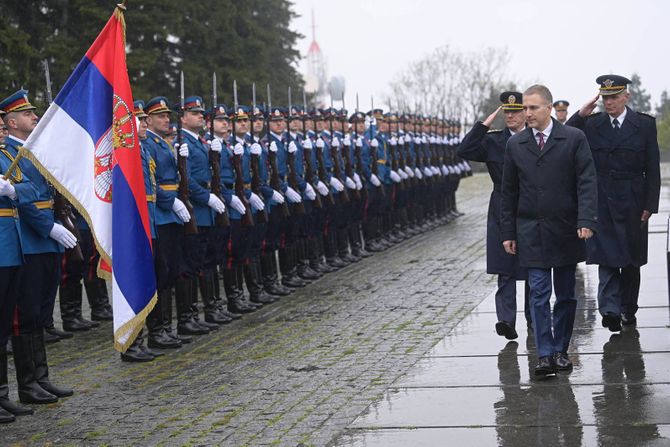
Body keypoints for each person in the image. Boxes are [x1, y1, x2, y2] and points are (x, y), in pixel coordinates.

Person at [501, 84, 597, 378]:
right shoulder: (515, 145)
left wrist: (587, 220)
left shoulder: (573, 138)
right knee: (539, 294)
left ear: (548, 108)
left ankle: (560, 350)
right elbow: (509, 192)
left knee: (566, 295)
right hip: (531, 230)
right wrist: (508, 232)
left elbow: (586, 181)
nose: (526, 113)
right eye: (524, 109)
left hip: (566, 229)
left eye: (532, 108)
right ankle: (544, 355)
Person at [567, 75, 660, 331]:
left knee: (631, 260)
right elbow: (566, 135)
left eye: (614, 97)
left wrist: (650, 204)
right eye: (605, 98)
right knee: (606, 256)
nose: (609, 103)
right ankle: (609, 310)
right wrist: (580, 114)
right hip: (602, 199)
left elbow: (652, 168)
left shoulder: (643, 124)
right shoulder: (593, 124)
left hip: (633, 199)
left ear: (626, 97)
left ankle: (628, 308)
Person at [1, 90, 75, 402]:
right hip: (29, 239)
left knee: (40, 313)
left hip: (44, 238)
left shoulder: (33, 151)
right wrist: (49, 228)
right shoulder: (10, 154)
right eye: (28, 114)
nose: (35, 117)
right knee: (25, 315)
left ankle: (40, 377)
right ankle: (28, 383)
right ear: (12, 121)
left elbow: (34, 190)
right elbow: (25, 198)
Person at [458, 91, 531, 340]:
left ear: (525, 113)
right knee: (505, 266)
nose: (510, 116)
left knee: (534, 267)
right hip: (501, 206)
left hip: (530, 206)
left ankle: (534, 318)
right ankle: (506, 320)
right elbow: (465, 149)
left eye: (515, 112)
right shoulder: (493, 141)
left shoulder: (535, 138)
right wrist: (483, 125)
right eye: (507, 112)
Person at [0, 108, 37, 422]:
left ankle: (2, 394)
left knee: (3, 326)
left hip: (11, 247)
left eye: (2, 125)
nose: (1, 130)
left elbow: (31, 188)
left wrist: (12, 190)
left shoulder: (4, 156)